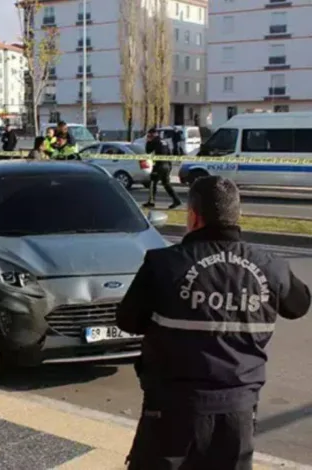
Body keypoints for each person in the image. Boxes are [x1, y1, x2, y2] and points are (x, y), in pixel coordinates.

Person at [117, 176, 311, 470]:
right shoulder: (270, 265)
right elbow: (299, 305)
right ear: (238, 216)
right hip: (238, 412)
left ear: (194, 217)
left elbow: (128, 320)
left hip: (171, 410)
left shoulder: (164, 264)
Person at [143, 128, 181, 209]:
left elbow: (148, 151)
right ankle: (176, 200)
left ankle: (151, 202)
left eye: (150, 135)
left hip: (158, 165)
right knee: (166, 184)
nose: (149, 136)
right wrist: (170, 166)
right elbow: (169, 153)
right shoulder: (164, 142)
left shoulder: (154, 141)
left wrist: (148, 141)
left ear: (152, 134)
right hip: (166, 165)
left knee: (153, 183)